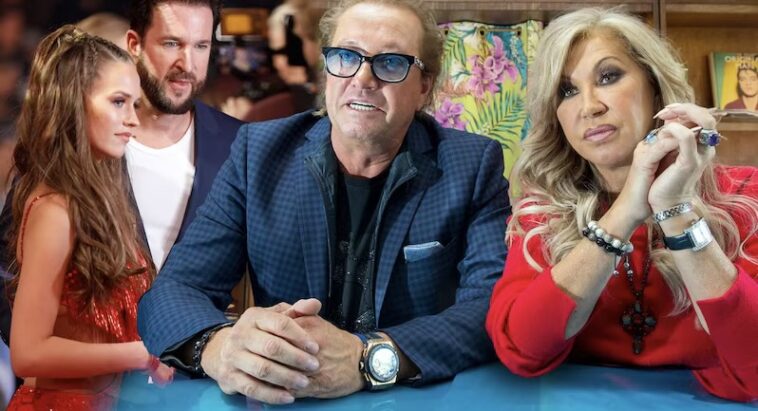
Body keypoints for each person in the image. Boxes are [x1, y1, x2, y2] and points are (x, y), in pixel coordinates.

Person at [138, 0, 510, 405]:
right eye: (346, 56)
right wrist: (219, 348)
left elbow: (490, 308)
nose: (362, 78)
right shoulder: (258, 154)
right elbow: (172, 292)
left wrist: (366, 358)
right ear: (327, 70)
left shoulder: (471, 165)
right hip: (286, 399)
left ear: (424, 85)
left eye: (390, 63)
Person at [485, 8, 758, 402]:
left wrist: (675, 207)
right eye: (567, 91)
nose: (589, 106)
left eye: (608, 77)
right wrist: (623, 214)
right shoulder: (544, 209)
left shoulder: (746, 195)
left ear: (655, 88)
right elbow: (522, 351)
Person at [0, 0, 244, 344]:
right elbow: (9, 272)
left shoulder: (240, 144)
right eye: (171, 43)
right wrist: (75, 357)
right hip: (89, 372)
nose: (187, 64)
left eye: (201, 46)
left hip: (201, 371)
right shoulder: (77, 143)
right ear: (134, 44)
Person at [5, 25, 173, 410]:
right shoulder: (54, 211)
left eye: (135, 104)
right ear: (74, 103)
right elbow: (27, 353)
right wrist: (140, 354)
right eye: (118, 102)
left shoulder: (101, 202)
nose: (133, 120)